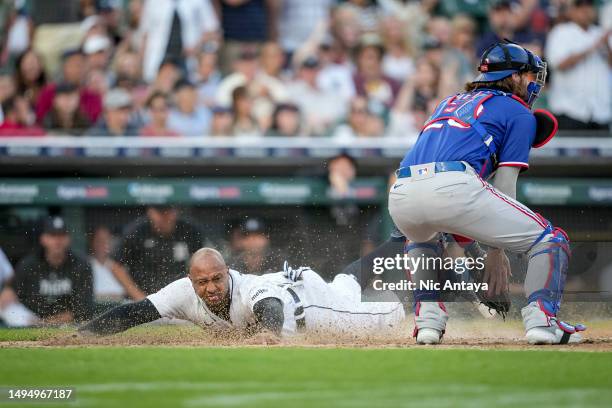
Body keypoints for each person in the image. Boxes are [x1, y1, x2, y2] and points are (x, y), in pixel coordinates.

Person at [388, 41, 585, 345]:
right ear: (515, 77)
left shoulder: (450, 101)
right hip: (453, 186)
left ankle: (427, 322)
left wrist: (478, 252)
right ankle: (543, 322)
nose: (533, 83)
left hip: (401, 191)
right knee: (551, 239)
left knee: (423, 239)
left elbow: (444, 203)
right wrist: (497, 252)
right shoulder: (519, 111)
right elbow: (504, 184)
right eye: (530, 76)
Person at [79, 248, 405, 340]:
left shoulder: (246, 287)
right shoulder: (183, 292)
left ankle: (423, 295)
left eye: (217, 278)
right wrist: (86, 333)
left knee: (390, 317)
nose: (211, 287)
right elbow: (136, 312)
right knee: (346, 281)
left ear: (227, 272)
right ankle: (402, 241)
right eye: (203, 282)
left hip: (312, 308)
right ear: (191, 282)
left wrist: (268, 332)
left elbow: (270, 306)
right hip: (294, 286)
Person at [13, 216, 94, 324]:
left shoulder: (81, 265)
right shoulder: (29, 264)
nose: (57, 241)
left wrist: (47, 322)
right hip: (30, 319)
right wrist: (8, 290)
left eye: (61, 235)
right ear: (43, 239)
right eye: (53, 235)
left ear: (68, 239)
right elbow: (14, 291)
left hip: (68, 324)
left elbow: (84, 307)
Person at [545, 0, 610, 130]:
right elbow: (559, 64)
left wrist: (606, 45)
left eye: (589, 5)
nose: (585, 10)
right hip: (569, 111)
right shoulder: (560, 32)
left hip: (600, 112)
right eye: (580, 6)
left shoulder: (601, 33)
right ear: (572, 10)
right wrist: (593, 46)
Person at [113, 205, 205, 295]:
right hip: (144, 296)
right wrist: (139, 297)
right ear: (150, 212)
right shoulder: (137, 231)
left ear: (175, 212)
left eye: (168, 211)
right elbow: (116, 265)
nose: (164, 216)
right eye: (159, 212)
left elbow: (202, 262)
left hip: (178, 296)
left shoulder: (189, 230)